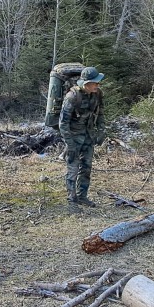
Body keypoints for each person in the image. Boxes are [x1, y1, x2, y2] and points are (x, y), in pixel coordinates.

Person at [59, 66, 105, 207]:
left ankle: (82, 196)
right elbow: (63, 124)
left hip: (88, 137)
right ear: (86, 83)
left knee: (86, 168)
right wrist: (70, 145)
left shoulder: (97, 94)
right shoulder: (72, 97)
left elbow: (101, 112)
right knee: (73, 169)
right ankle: (72, 201)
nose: (97, 85)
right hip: (74, 138)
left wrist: (101, 131)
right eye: (95, 83)